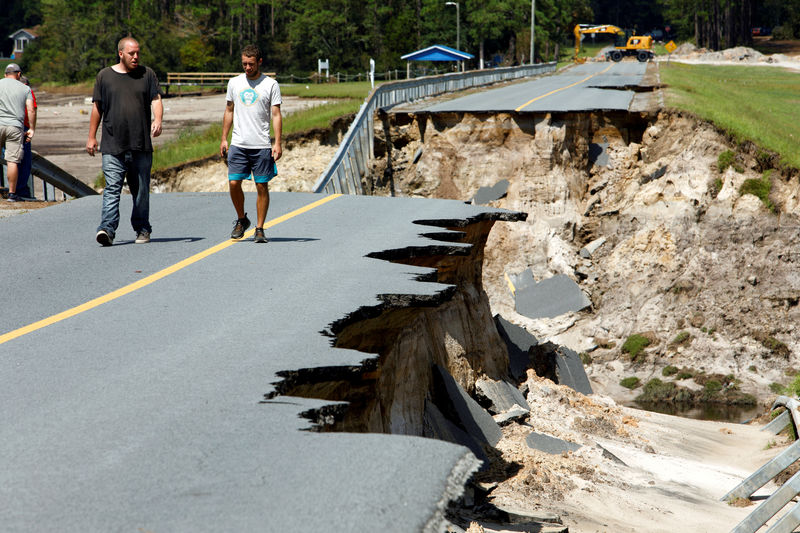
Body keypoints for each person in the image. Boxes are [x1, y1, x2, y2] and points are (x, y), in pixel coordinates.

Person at [86, 36, 163, 246]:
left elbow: (156, 99)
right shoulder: (105, 76)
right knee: (112, 188)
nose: (136, 57)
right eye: (131, 53)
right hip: (113, 145)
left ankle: (142, 228)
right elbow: (97, 108)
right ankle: (107, 230)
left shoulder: (147, 75)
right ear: (121, 53)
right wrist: (92, 136)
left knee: (141, 191)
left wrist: (158, 119)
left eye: (138, 53)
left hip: (140, 144)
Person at [220, 43, 282, 243]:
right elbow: (229, 110)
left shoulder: (270, 85)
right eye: (244, 64)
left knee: (261, 186)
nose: (247, 68)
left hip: (261, 144)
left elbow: (276, 114)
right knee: (233, 182)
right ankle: (241, 219)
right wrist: (224, 138)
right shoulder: (234, 83)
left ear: (259, 62)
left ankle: (260, 228)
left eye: (251, 64)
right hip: (239, 143)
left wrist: (278, 142)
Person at [0, 63, 35, 202]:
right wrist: (31, 128)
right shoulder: (25, 88)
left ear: (5, 75)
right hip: (15, 126)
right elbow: (31, 110)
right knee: (12, 161)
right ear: (19, 74)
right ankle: (12, 194)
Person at [17, 74, 37, 200]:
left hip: (5, 126)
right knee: (24, 161)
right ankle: (21, 190)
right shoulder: (27, 91)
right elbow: (32, 109)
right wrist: (31, 129)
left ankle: (13, 189)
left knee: (9, 158)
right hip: (22, 127)